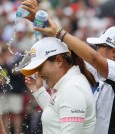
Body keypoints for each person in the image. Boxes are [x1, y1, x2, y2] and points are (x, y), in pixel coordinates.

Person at [21, 1, 115, 134]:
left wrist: (57, 31)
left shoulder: (75, 87)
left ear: (113, 52)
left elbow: (93, 58)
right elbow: (72, 53)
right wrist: (44, 22)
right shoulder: (93, 77)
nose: (96, 50)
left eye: (99, 47)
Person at [20, 37, 96, 134]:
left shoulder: (72, 89)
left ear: (58, 61)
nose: (38, 74)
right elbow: (56, 113)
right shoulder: (69, 84)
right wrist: (38, 91)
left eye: (39, 68)